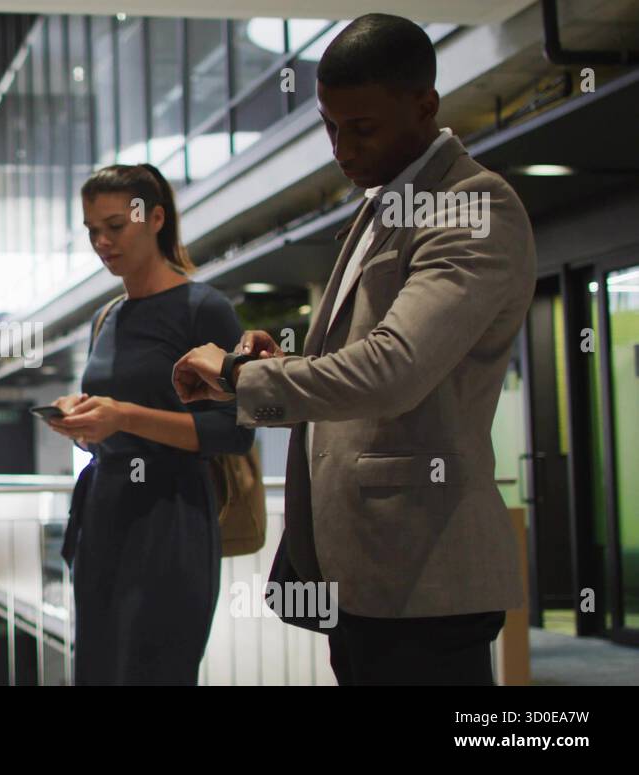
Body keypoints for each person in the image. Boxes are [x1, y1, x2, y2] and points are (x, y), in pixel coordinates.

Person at [171, 14, 535, 685]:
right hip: (364, 571)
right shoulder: (381, 204)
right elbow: (366, 358)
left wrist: (241, 375)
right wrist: (276, 362)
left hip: (422, 569)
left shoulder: (470, 205)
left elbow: (395, 368)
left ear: (424, 105)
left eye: (360, 127)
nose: (340, 147)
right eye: (329, 126)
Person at [46, 162, 254, 685]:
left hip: (171, 517)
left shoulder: (202, 308)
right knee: (98, 671)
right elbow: (114, 415)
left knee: (155, 670)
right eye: (92, 230)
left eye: (115, 227)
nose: (101, 242)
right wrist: (87, 417)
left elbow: (234, 429)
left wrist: (124, 416)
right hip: (105, 513)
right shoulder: (108, 316)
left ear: (155, 217)